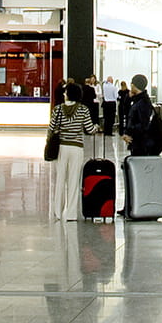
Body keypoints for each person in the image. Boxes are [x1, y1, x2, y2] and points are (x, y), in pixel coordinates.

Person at [48, 81, 98, 220]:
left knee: (60, 180)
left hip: (61, 148)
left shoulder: (57, 109)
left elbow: (51, 128)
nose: (64, 94)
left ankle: (58, 211)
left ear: (69, 94)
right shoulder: (83, 109)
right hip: (76, 148)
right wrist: (96, 128)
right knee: (73, 180)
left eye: (65, 92)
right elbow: (89, 129)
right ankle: (71, 214)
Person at [123, 74, 155, 154]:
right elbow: (127, 113)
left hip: (141, 143)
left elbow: (143, 124)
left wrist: (129, 132)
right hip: (137, 141)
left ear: (133, 85)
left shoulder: (143, 102)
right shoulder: (137, 99)